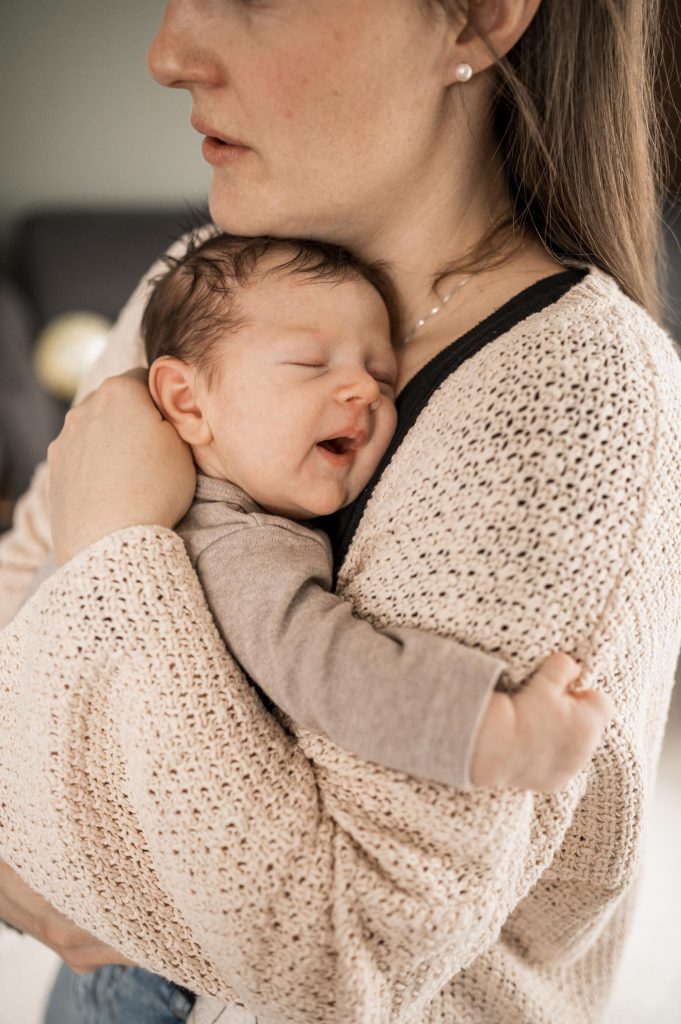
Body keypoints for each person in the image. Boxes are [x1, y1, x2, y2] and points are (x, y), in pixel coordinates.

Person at [0, 2, 678, 1023]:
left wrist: (119, 548)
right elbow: (21, 582)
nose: (168, 53)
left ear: (479, 19)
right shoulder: (206, 283)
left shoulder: (567, 394)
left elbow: (328, 962)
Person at [74, 223, 611, 1024]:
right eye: (309, 364)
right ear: (186, 399)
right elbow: (327, 665)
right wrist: (495, 729)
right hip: (159, 983)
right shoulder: (232, 547)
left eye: (382, 376)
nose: (362, 390)